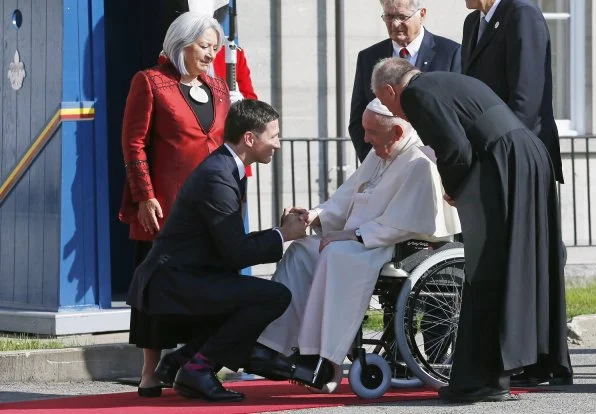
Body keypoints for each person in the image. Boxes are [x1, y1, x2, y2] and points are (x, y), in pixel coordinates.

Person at [371, 57, 572, 402]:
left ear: (391, 90)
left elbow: (456, 150)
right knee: (530, 261)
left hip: (502, 163)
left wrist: (454, 188)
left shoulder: (416, 95)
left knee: (486, 267)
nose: (394, 112)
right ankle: (542, 362)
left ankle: (483, 379)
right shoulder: (444, 81)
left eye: (385, 103)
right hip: (528, 156)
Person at [255, 98, 461, 390]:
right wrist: (314, 215)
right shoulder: (379, 154)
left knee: (334, 253)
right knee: (303, 251)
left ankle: (324, 358)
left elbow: (407, 223)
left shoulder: (419, 161)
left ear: (397, 133)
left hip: (393, 247)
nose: (364, 138)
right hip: (359, 241)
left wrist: (355, 235)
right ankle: (273, 346)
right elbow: (347, 196)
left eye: (371, 132)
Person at [126, 99, 309, 402]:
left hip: (182, 277)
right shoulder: (218, 176)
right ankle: (199, 367)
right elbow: (235, 253)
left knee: (249, 295)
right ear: (250, 138)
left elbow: (227, 242)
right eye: (273, 136)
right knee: (274, 296)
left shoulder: (225, 168)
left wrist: (278, 232)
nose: (277, 144)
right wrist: (282, 234)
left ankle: (180, 361)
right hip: (173, 282)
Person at [118, 12, 231, 397]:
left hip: (212, 209)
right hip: (165, 206)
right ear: (181, 43)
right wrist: (144, 194)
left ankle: (195, 366)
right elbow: (133, 143)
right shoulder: (150, 82)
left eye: (215, 48)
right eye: (204, 47)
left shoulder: (218, 88)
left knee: (210, 287)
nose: (210, 55)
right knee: (157, 288)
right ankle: (150, 372)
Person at [461, 0, 563, 183]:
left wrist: (505, 155)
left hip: (519, 157)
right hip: (485, 155)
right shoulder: (472, 22)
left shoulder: (522, 13)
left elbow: (527, 101)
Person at [349, 0, 461, 162]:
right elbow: (357, 118)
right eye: (389, 16)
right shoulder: (369, 57)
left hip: (435, 162)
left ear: (422, 14)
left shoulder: (450, 54)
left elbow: (456, 115)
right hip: (385, 164)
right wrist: (374, 162)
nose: (394, 24)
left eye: (402, 16)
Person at [157, 0, 258, 100]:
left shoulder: (233, 53)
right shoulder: (172, 54)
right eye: (204, 46)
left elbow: (253, 104)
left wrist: (242, 104)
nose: (211, 55)